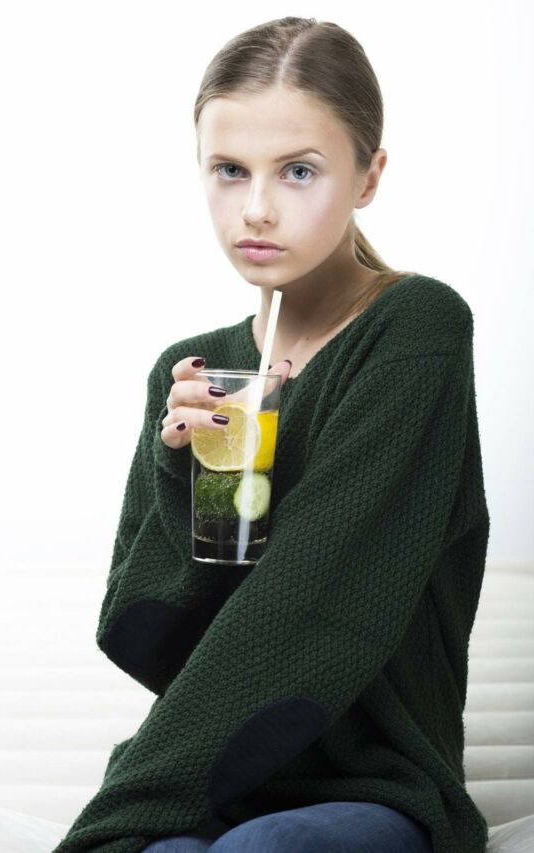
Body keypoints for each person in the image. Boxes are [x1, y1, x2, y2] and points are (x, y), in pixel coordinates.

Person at [54, 17, 490, 853]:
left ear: (368, 176)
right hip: (216, 778)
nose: (255, 208)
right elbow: (148, 638)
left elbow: (317, 603)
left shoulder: (414, 330)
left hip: (372, 784)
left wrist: (109, 822)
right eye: (229, 170)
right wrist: (183, 476)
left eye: (298, 171)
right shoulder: (193, 372)